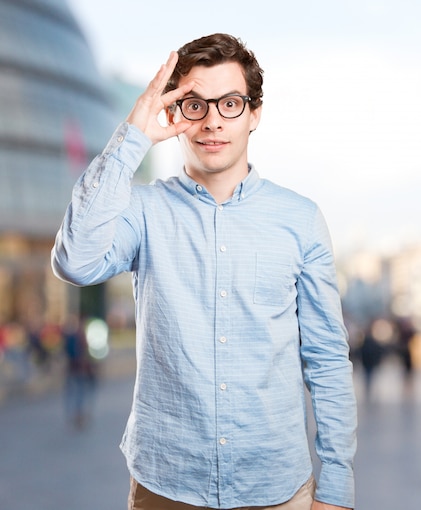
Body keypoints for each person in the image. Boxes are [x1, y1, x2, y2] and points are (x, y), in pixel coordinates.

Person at [51, 33, 357, 510]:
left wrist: (337, 486)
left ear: (254, 113)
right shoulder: (142, 209)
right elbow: (74, 260)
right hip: (165, 484)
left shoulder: (300, 219)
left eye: (230, 103)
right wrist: (134, 134)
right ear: (174, 114)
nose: (213, 121)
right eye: (195, 104)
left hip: (276, 487)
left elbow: (327, 358)